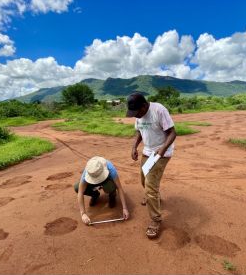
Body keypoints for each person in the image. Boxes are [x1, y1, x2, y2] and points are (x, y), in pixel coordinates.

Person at [127, 93, 177, 239]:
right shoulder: (138, 115)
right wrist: (134, 147)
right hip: (148, 151)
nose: (136, 116)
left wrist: (161, 151)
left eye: (137, 112)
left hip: (161, 152)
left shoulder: (159, 110)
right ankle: (154, 195)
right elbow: (139, 132)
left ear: (144, 106)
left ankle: (156, 220)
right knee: (144, 180)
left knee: (150, 186)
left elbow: (172, 133)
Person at [74, 156, 130, 225]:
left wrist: (125, 208)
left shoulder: (110, 168)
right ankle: (95, 195)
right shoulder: (88, 172)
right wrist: (83, 214)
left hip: (107, 181)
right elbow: (80, 192)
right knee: (77, 187)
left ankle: (112, 195)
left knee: (110, 187)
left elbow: (119, 188)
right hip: (92, 182)